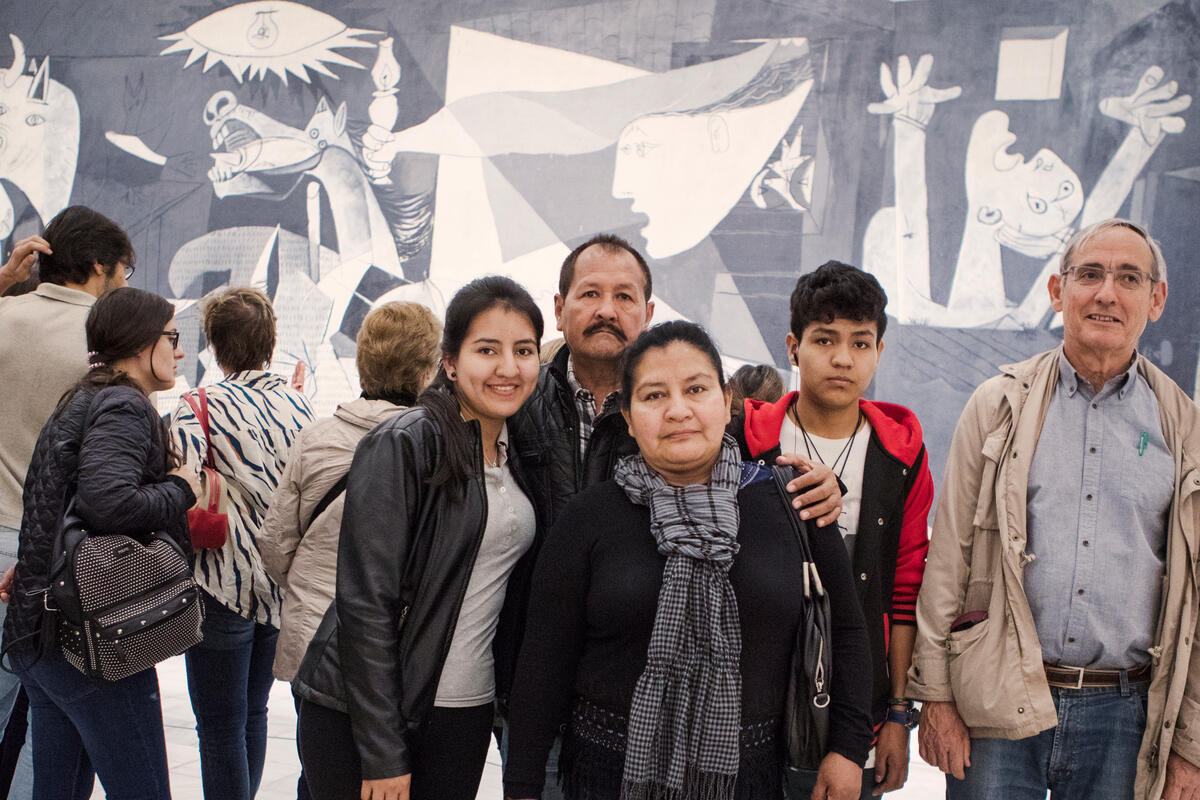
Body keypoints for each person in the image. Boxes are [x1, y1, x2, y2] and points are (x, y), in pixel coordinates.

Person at [506, 233, 842, 800]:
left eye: (695, 390)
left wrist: (847, 743)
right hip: (559, 721)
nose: (678, 409)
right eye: (590, 293)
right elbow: (543, 653)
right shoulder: (511, 402)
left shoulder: (771, 494)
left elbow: (845, 626)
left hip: (745, 764)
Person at [908, 218, 1200, 799]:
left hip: (1125, 719)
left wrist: (1189, 747)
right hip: (997, 701)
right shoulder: (997, 406)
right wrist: (936, 696)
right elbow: (950, 558)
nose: (1106, 294)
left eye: (1128, 278)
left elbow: (1195, 595)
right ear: (1056, 291)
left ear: (1157, 299)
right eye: (1089, 275)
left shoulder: (1182, 424)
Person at [292, 276, 547, 800]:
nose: (508, 367)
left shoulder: (518, 452)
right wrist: (383, 751)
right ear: (450, 362)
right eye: (487, 350)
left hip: (465, 710)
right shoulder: (404, 444)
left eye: (523, 350)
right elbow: (365, 603)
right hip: (367, 717)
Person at [730, 262, 932, 797]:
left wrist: (896, 716)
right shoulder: (745, 440)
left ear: (879, 352)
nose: (843, 358)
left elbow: (906, 590)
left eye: (861, 343)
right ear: (794, 348)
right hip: (748, 709)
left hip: (853, 711)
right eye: (826, 340)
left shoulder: (901, 454)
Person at [1, 287, 200, 799]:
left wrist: (34, 567)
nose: (179, 351)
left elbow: (54, 502)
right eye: (171, 338)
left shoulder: (83, 398)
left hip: (45, 632)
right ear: (140, 344)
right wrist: (181, 488)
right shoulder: (123, 407)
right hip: (93, 639)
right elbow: (109, 503)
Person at [0, 205, 135, 799]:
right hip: (49, 552)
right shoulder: (109, 345)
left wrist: (5, 279)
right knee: (48, 719)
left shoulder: (4, 315)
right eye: (125, 273)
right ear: (100, 266)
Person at [170, 287, 313, 800]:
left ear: (214, 344)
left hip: (219, 585)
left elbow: (175, 487)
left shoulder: (197, 407)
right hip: (278, 588)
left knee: (217, 727)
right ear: (270, 340)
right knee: (253, 712)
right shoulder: (302, 408)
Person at [261, 300, 441, 682]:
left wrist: (308, 588)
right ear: (427, 371)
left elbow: (275, 546)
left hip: (314, 641)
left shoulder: (315, 439)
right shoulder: (436, 448)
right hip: (395, 650)